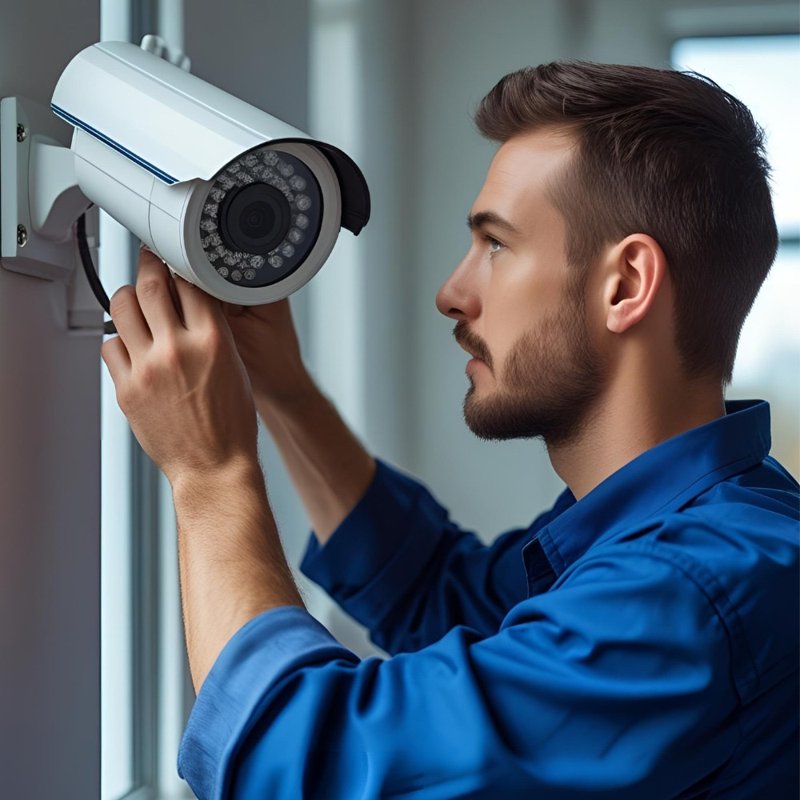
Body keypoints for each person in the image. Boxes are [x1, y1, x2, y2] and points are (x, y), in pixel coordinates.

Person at [101, 61, 799, 799]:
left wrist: (211, 475)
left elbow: (301, 762)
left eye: (495, 244)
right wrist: (283, 390)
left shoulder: (691, 593)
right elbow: (442, 597)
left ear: (625, 285)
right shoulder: (683, 528)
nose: (452, 293)